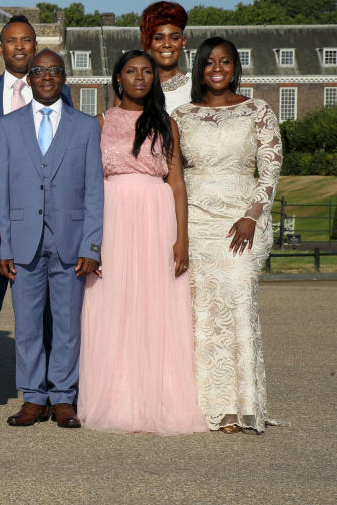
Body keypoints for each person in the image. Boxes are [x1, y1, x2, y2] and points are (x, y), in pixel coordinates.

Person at [77, 50, 207, 435]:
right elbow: (88, 184)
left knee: (156, 305)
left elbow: (177, 183)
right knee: (112, 303)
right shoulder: (98, 123)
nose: (139, 77)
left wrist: (181, 239)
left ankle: (160, 398)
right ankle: (117, 399)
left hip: (156, 216)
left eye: (146, 72)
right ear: (118, 78)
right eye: (131, 71)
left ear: (154, 79)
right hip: (111, 214)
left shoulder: (166, 123)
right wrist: (91, 239)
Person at [0, 14, 73, 414]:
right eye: (12, 41)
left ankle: (45, 392)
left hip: (45, 224)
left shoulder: (59, 88)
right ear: (1, 47)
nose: (20, 47)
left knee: (43, 315)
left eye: (27, 40)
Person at [173, 37, 282, 434]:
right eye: (209, 63)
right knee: (201, 310)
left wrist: (252, 215)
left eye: (225, 62)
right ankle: (210, 408)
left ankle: (243, 405)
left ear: (235, 67)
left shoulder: (258, 110)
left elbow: (270, 167)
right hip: (196, 222)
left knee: (237, 298)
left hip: (243, 219)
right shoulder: (183, 114)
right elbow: (172, 171)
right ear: (200, 68)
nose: (217, 68)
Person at [0, 50, 103, 429]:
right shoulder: (6, 127)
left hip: (71, 244)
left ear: (63, 77)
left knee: (67, 324)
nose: (46, 77)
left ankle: (62, 397)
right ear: (29, 78)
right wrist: (4, 246)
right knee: (26, 324)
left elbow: (94, 192)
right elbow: (1, 191)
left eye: (54, 71)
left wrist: (91, 245)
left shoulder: (87, 126)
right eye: (39, 71)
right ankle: (33, 397)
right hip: (23, 243)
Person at [140, 1, 191, 113]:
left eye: (174, 38)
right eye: (158, 38)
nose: (167, 44)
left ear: (183, 42)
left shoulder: (197, 86)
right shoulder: (135, 86)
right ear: (148, 42)